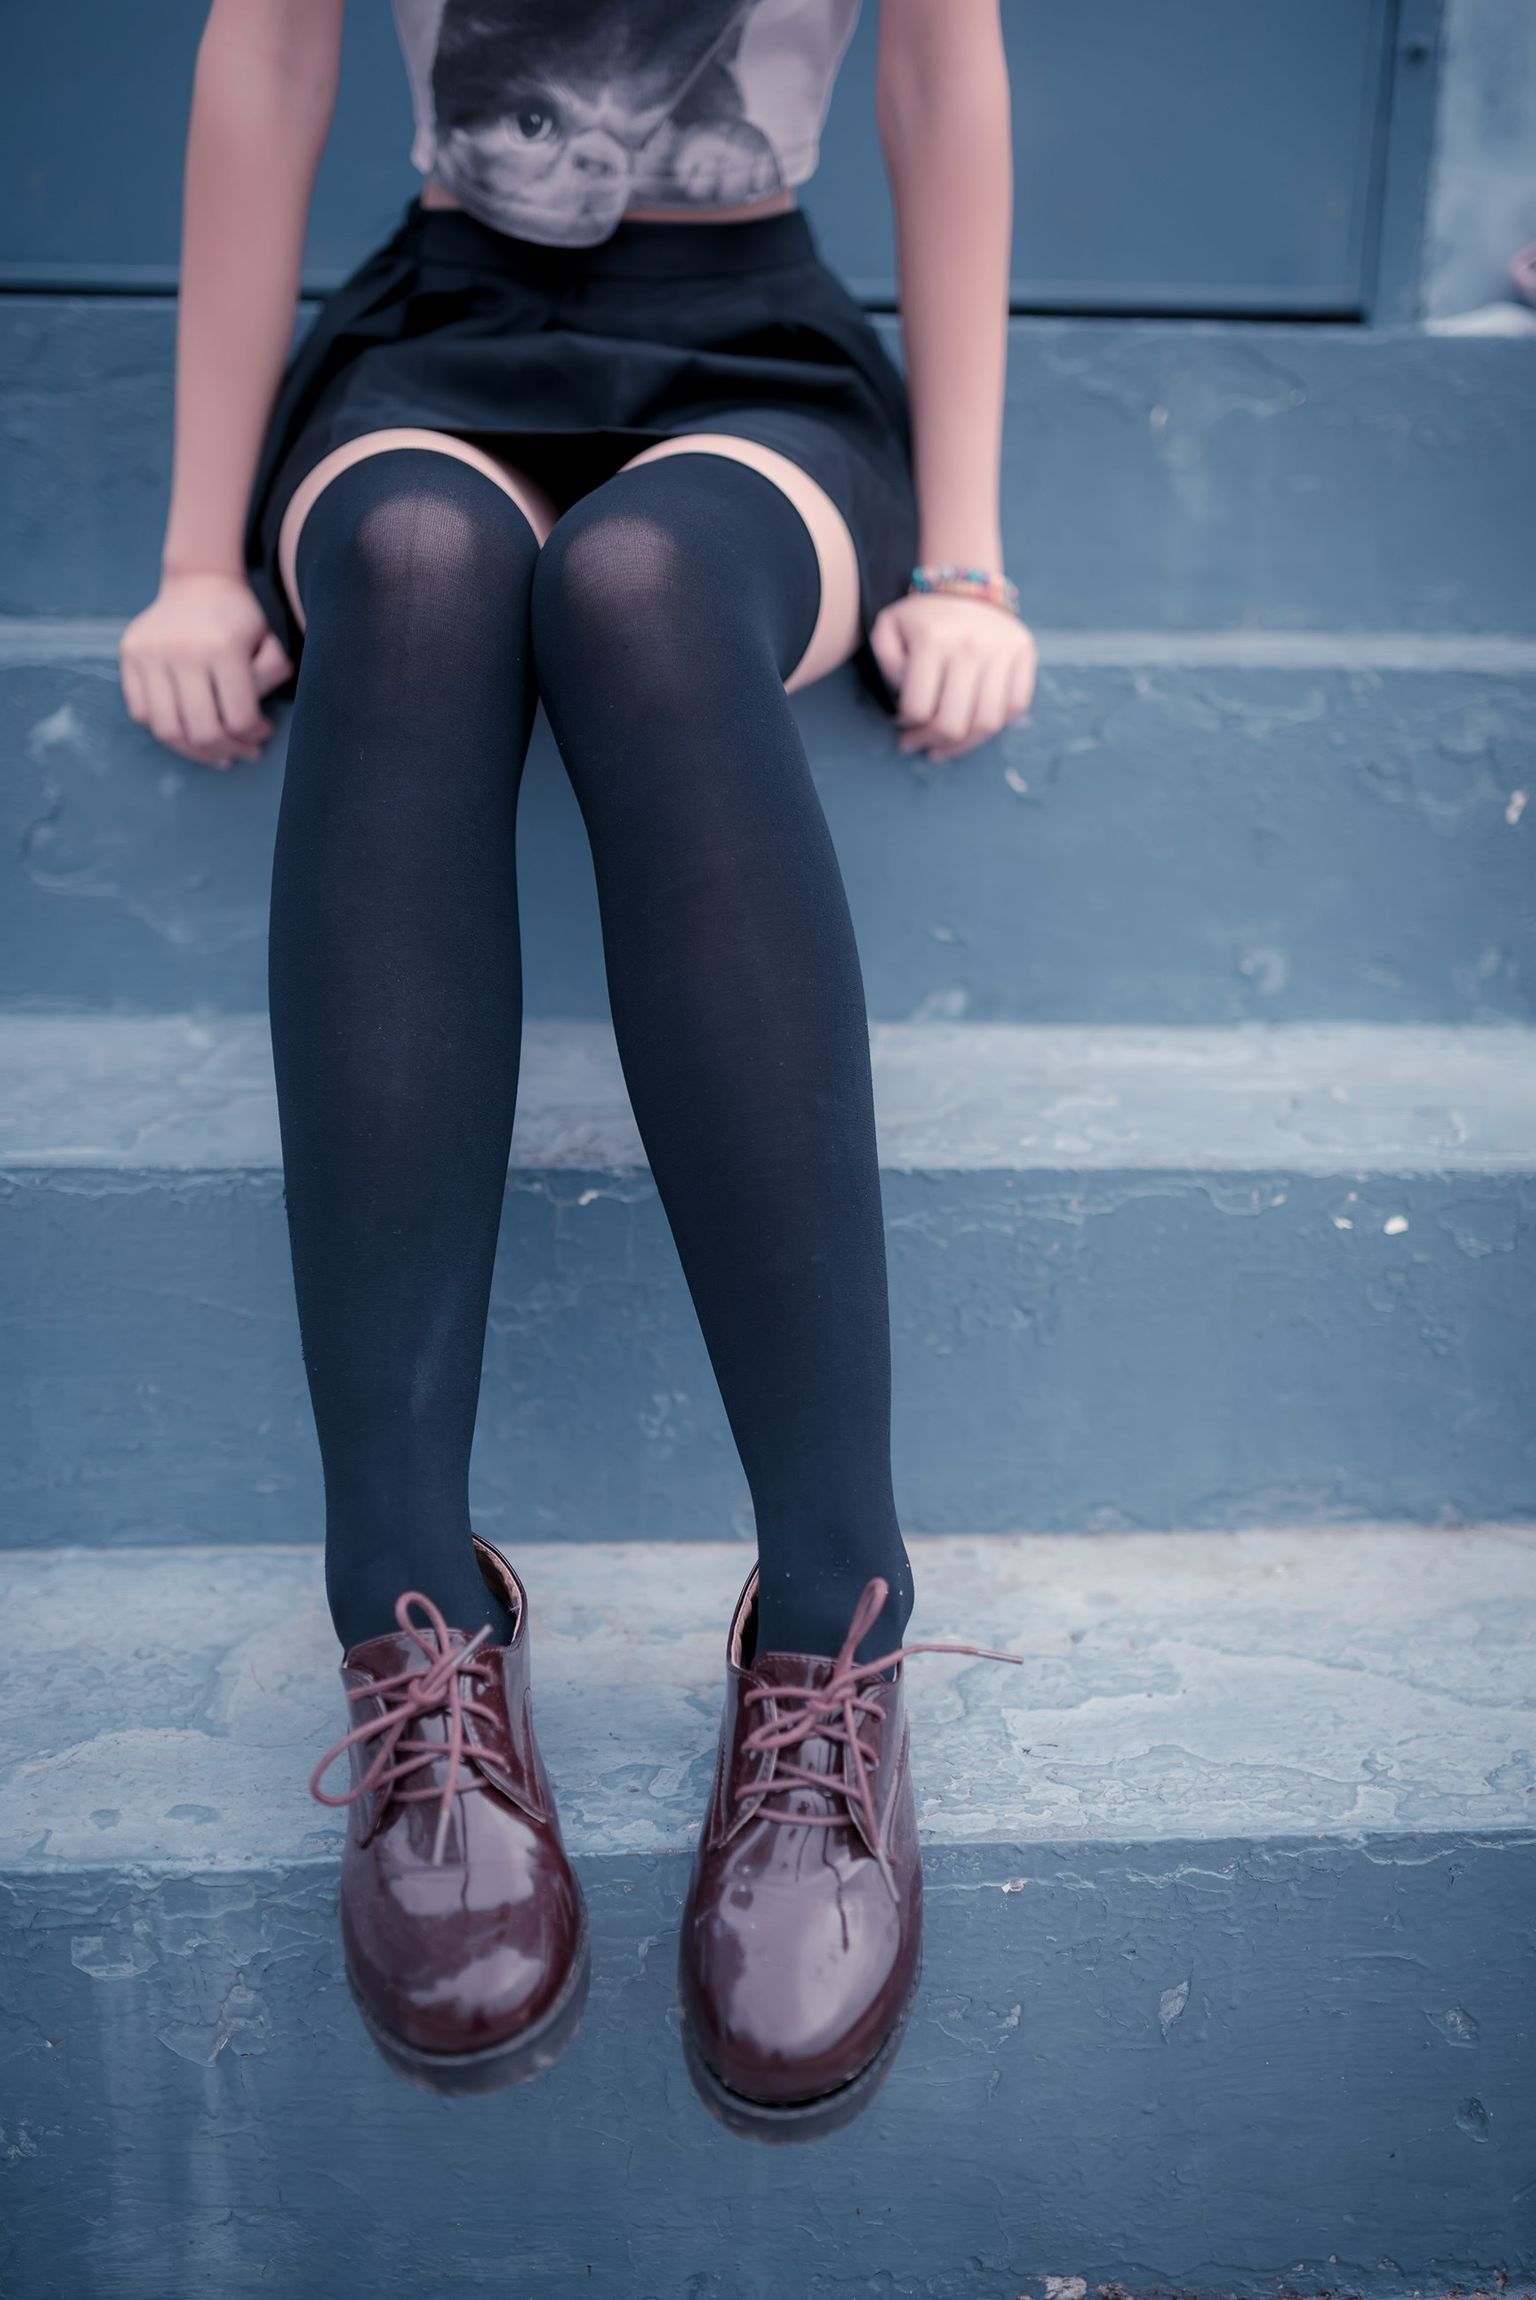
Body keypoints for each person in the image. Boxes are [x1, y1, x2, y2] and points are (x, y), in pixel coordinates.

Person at [119, 0, 1035, 2126]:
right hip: (432, 333)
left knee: (633, 586)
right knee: (422, 570)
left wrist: (968, 555)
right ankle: (408, 1617)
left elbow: (938, 68)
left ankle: (834, 1618)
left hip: (758, 357)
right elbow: (268, 55)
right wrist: (191, 558)